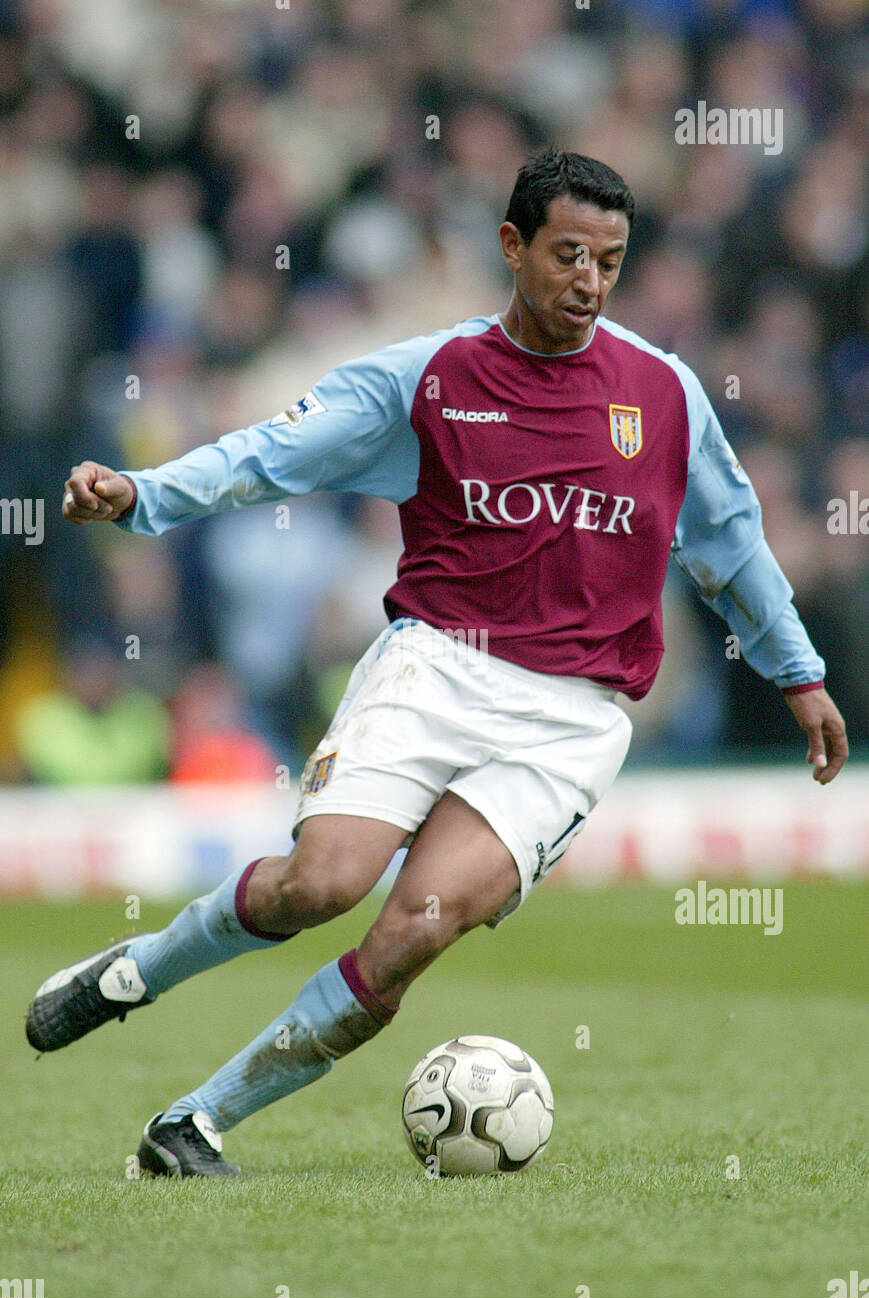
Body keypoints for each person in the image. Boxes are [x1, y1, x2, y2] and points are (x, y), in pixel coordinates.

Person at [26, 151, 848, 1178]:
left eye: (608, 260)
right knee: (316, 885)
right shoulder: (429, 378)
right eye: (565, 256)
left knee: (412, 928)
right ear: (511, 247)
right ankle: (134, 970)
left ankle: (196, 1121)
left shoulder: (663, 394)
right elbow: (269, 455)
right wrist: (142, 495)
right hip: (436, 670)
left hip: (572, 718)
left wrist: (796, 674)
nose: (588, 282)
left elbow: (731, 543)